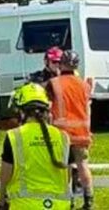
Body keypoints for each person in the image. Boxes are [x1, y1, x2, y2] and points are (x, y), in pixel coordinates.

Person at [0, 83, 72, 210]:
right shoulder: (63, 136)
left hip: (25, 205)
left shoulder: (14, 136)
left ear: (21, 111)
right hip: (60, 205)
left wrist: (2, 199)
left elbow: (5, 175)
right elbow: (68, 174)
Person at [48, 50, 93, 209]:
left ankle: (69, 201)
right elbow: (88, 108)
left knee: (64, 169)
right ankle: (89, 200)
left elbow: (49, 107)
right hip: (82, 133)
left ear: (61, 64)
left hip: (61, 134)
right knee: (83, 166)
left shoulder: (54, 83)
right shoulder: (84, 85)